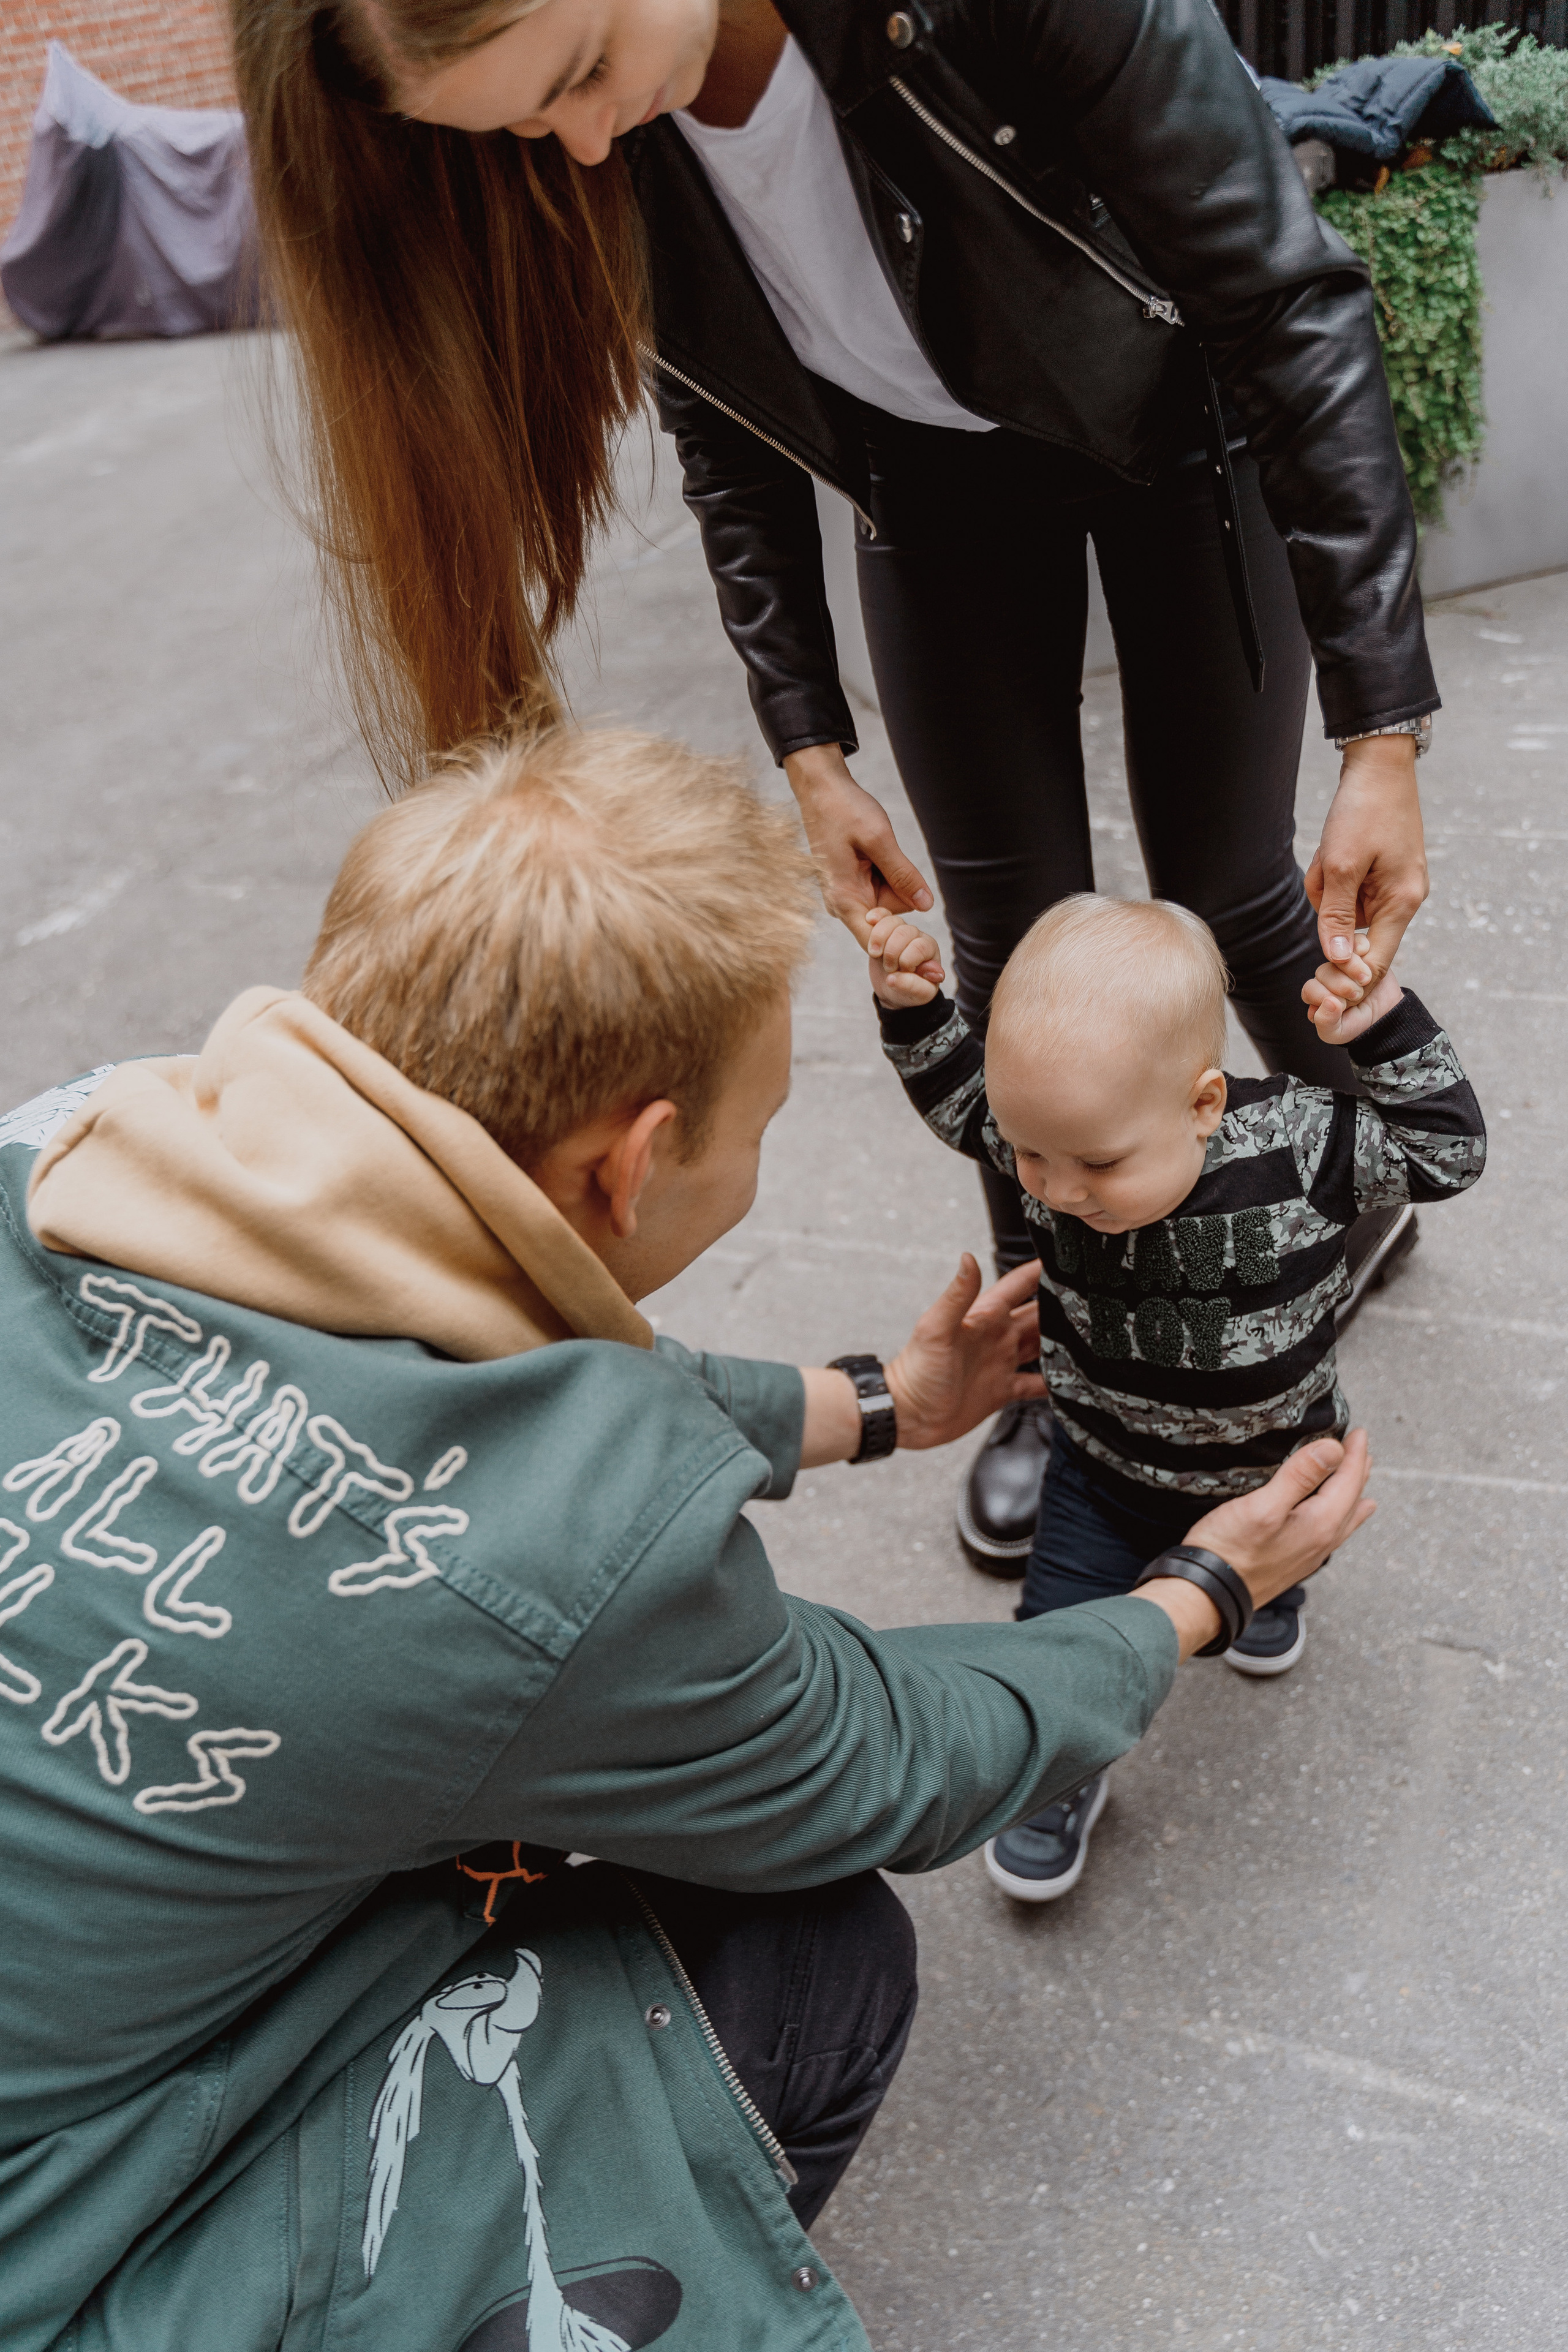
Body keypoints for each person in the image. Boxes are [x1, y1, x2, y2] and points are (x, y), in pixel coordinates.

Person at [0, 728, 1373, 2352]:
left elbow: (451, 1349)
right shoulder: (563, 1555)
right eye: (758, 1128)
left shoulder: (72, 1146)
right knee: (819, 1962)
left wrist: (874, 1403)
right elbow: (878, 1758)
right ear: (637, 1160)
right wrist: (1196, 1593)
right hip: (74, 2261)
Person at [232, 0, 1438, 1576]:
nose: (585, 139)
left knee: (1231, 897)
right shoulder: (624, 134)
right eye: (533, 123)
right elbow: (721, 417)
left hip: (1182, 426)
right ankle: (1061, 1370)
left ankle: (1339, 1201)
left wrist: (1379, 733)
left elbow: (1283, 298)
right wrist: (808, 746)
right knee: (1003, 949)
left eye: (583, 75)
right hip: (930, 482)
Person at [859, 889, 1483, 1899]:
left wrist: (1383, 1027)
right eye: (1031, 1154)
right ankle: (1055, 1775)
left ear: (1203, 1103)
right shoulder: (1051, 1139)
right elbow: (961, 1105)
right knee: (1056, 1643)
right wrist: (915, 1011)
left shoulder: (1297, 1143)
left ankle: (1270, 1596)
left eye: (1098, 1163)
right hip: (1097, 1469)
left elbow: (1447, 1153)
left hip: (1271, 1473)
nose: (1055, 1189)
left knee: (1273, 1562)